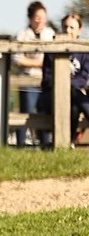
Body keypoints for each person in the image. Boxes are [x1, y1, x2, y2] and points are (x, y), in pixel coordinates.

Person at [40, 13, 89, 145]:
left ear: (79, 30)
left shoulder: (84, 50)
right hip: (52, 96)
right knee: (76, 96)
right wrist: (67, 85)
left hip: (74, 97)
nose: (68, 31)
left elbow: (83, 79)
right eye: (65, 27)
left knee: (73, 106)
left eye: (72, 28)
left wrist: (70, 86)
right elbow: (48, 78)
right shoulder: (52, 50)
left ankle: (69, 143)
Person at [12, 0, 55, 146]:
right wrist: (40, 63)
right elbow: (17, 58)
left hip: (45, 81)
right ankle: (21, 144)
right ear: (30, 17)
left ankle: (44, 145)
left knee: (44, 112)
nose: (40, 20)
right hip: (28, 80)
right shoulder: (22, 34)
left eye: (43, 17)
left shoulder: (50, 34)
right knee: (26, 113)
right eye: (37, 17)